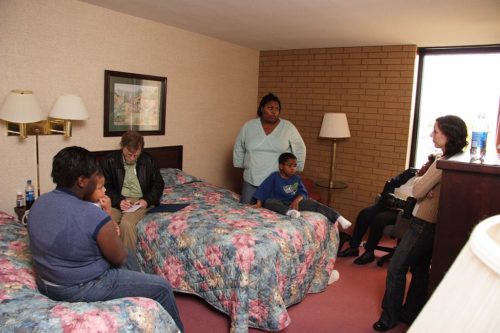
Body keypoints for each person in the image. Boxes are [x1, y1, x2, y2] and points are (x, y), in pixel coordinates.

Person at [27, 146, 184, 332]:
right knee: (162, 287)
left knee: (129, 254)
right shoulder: (92, 214)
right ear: (82, 181)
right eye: (95, 176)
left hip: (46, 281)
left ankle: (141, 284)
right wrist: (108, 222)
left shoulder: (39, 202)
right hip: (78, 287)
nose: (100, 181)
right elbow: (118, 257)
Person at [372, 115, 468, 332]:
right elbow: (426, 189)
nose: (431, 135)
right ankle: (410, 312)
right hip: (435, 223)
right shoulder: (454, 159)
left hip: (424, 222)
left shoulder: (441, 162)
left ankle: (389, 317)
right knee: (421, 269)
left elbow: (417, 190)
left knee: (396, 267)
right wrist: (427, 187)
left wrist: (424, 185)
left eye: (435, 131)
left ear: (448, 135)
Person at [337, 154, 436, 265]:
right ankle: (353, 247)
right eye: (425, 163)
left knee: (379, 219)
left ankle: (369, 252)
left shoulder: (428, 185)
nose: (424, 166)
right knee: (364, 213)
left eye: (428, 166)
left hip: (402, 212)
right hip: (388, 203)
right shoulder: (411, 172)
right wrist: (389, 197)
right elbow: (391, 183)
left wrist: (400, 203)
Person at [233, 92, 306, 204]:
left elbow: (300, 148)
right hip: (252, 178)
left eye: (277, 109)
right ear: (262, 108)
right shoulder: (249, 126)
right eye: (270, 108)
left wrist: (296, 167)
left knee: (275, 211)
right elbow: (239, 146)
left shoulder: (288, 127)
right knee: (246, 209)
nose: (274, 111)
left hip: (278, 181)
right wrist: (242, 164)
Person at [251, 152, 352, 230]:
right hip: (278, 201)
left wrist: (296, 201)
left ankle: (338, 217)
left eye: (295, 166)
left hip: (293, 202)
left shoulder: (296, 178)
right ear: (281, 166)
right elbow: (264, 188)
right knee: (269, 202)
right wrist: (259, 203)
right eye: (289, 165)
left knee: (315, 204)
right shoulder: (274, 177)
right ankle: (289, 212)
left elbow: (303, 192)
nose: (293, 168)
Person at [101, 130, 165, 250]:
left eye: (135, 155)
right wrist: (118, 201)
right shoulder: (109, 161)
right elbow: (106, 187)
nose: (132, 158)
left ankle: (127, 264)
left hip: (139, 200)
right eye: (129, 154)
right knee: (105, 222)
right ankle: (107, 262)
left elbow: (158, 184)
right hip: (117, 200)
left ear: (141, 150)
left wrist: (146, 200)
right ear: (122, 147)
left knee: (126, 224)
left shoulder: (149, 160)